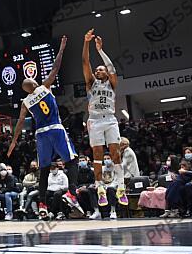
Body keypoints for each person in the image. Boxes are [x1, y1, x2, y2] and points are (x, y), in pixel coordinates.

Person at [8, 36, 84, 219]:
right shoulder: (45, 87)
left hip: (40, 135)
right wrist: (62, 48)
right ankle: (72, 193)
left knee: (43, 170)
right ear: (34, 84)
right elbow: (56, 67)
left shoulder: (25, 102)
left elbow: (19, 123)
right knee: (72, 160)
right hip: (55, 129)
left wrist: (13, 142)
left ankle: (42, 204)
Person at [82, 30, 121, 182]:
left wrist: (100, 50)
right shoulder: (91, 83)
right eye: (96, 70)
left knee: (115, 153)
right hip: (95, 120)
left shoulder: (112, 83)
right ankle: (99, 186)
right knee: (97, 154)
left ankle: (120, 184)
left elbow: (111, 68)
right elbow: (85, 62)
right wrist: (86, 42)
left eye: (100, 69)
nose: (97, 71)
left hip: (110, 119)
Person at [162, 146, 192, 218]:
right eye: (185, 153)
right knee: (173, 186)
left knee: (179, 184)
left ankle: (179, 209)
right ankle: (171, 210)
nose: (187, 154)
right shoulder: (185, 162)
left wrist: (185, 172)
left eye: (189, 152)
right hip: (187, 181)